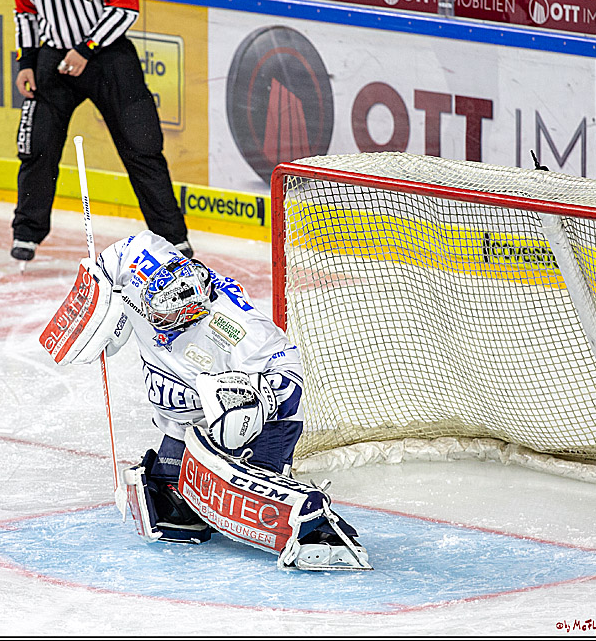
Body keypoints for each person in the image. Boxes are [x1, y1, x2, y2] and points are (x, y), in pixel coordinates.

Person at [42, 231, 371, 570]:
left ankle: (321, 532)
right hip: (186, 416)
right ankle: (192, 502)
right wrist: (97, 302)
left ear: (193, 310)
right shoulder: (140, 259)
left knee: (252, 504)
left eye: (167, 320)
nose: (157, 325)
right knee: (170, 507)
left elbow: (287, 375)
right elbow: (109, 262)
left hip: (254, 422)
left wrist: (255, 402)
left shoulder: (238, 328)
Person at [10, 0, 192, 262]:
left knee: (142, 146)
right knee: (37, 146)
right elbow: (25, 13)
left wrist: (86, 48)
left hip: (109, 59)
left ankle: (173, 238)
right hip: (54, 60)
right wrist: (26, 62)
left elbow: (125, 7)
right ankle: (27, 232)